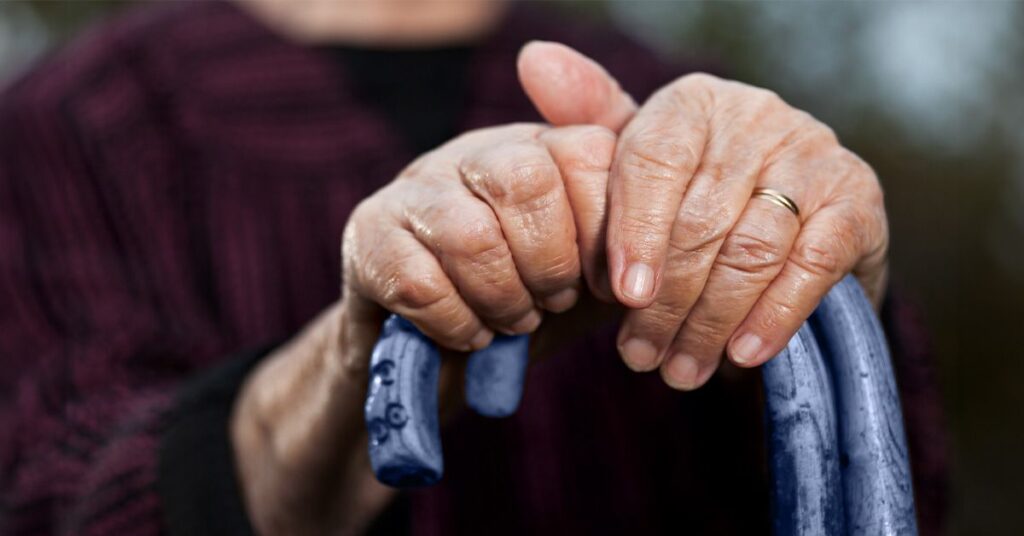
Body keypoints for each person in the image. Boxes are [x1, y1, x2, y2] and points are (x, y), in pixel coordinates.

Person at [0, 1, 947, 534]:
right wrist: (347, 370)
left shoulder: (671, 99)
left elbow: (902, 499)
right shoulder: (67, 131)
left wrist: (810, 291)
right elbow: (55, 493)